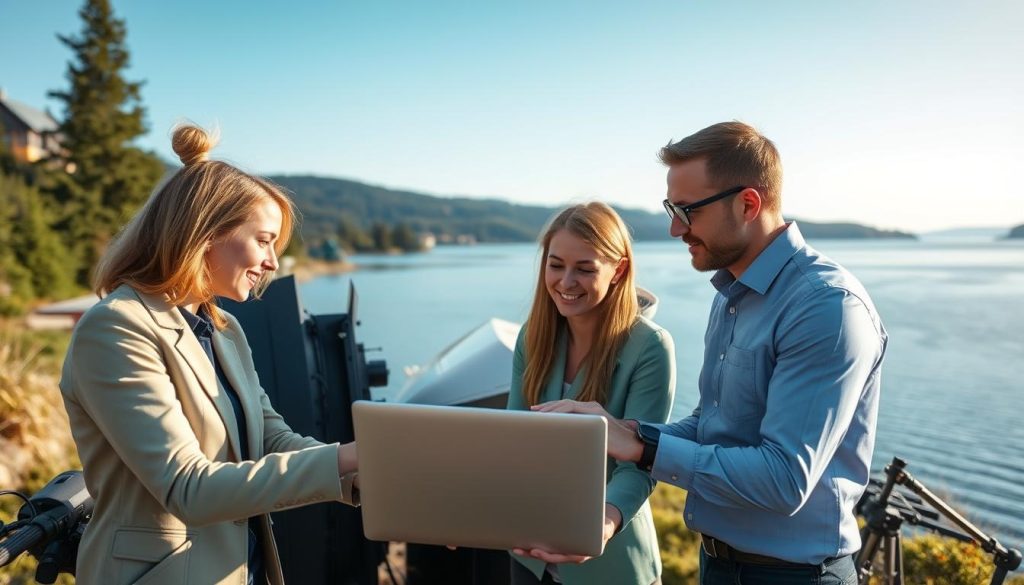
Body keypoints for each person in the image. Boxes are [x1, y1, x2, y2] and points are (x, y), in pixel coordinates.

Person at [536, 122, 888, 585]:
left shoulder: (826, 307)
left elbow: (784, 481)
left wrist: (643, 447)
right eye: (671, 208)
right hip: (720, 566)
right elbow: (712, 424)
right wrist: (622, 429)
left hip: (795, 576)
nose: (674, 227)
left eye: (687, 211)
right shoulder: (731, 293)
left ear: (748, 204)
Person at [58, 124, 361, 585]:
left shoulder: (223, 328)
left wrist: (363, 472)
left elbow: (270, 438)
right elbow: (188, 488)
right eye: (264, 240)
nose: (273, 262)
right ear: (205, 233)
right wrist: (344, 460)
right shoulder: (117, 327)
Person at [507, 202, 676, 585]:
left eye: (584, 269)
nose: (566, 282)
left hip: (610, 562)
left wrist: (600, 525)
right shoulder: (531, 338)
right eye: (555, 265)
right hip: (528, 556)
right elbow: (512, 440)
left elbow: (642, 463)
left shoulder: (650, 347)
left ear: (618, 270)